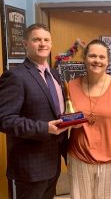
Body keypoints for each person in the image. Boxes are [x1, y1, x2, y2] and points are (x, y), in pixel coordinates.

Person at [0, 23, 68, 199]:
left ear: (51, 44)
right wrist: (44, 128)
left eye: (46, 40)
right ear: (25, 44)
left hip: (52, 161)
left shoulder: (54, 75)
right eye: (36, 39)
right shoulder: (15, 76)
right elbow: (5, 119)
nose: (42, 44)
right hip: (30, 166)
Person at [67, 39, 111, 199]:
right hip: (79, 158)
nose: (97, 60)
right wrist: (71, 123)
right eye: (92, 56)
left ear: (108, 61)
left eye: (102, 57)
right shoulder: (71, 86)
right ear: (84, 58)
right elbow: (67, 117)